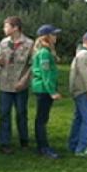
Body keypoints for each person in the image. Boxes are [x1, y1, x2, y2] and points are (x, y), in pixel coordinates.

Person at [0, 17, 34, 154]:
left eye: (6, 26)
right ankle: (5, 143)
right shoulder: (3, 43)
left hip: (20, 84)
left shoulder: (29, 43)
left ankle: (24, 140)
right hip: (5, 84)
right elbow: (3, 60)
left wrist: (24, 80)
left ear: (15, 28)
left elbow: (33, 64)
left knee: (21, 113)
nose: (4, 29)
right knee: (4, 114)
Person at [30, 24, 62, 159]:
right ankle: (43, 148)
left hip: (43, 88)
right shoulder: (44, 53)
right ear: (47, 37)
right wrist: (52, 91)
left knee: (42, 119)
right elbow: (46, 73)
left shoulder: (46, 51)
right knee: (41, 120)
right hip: (43, 89)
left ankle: (42, 146)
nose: (56, 37)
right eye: (53, 34)